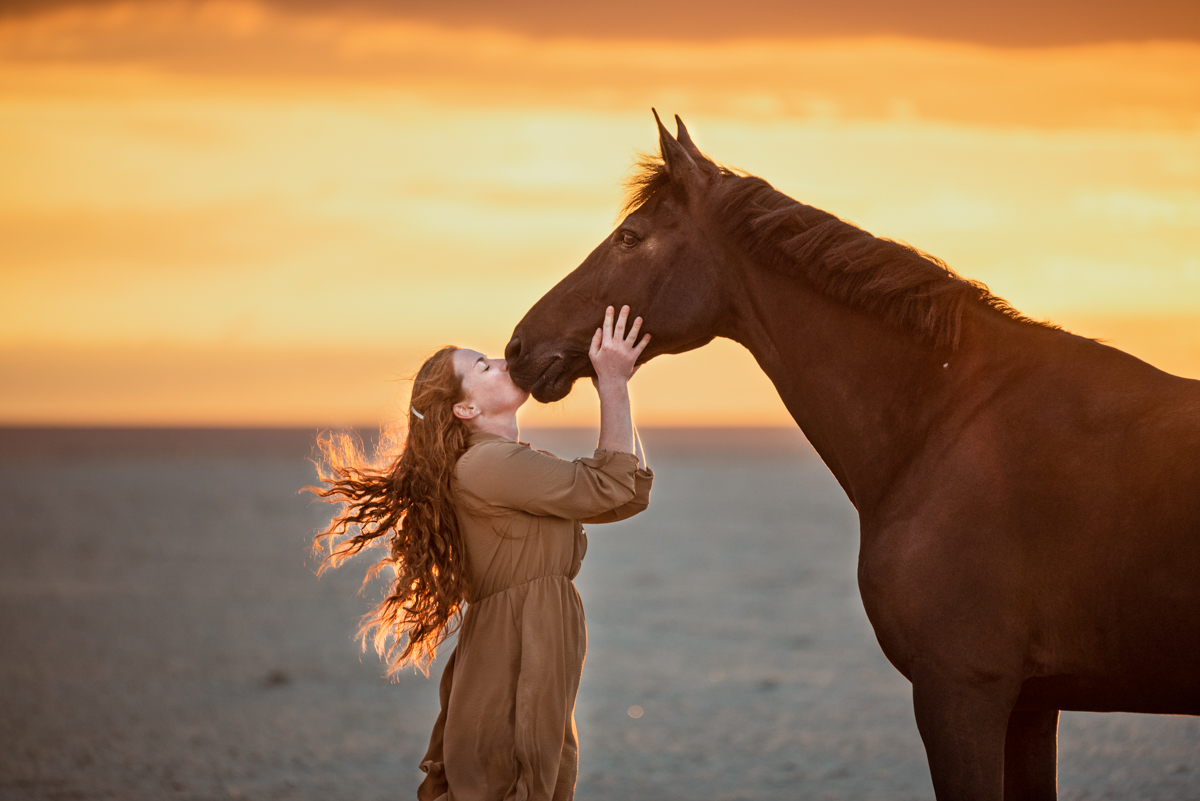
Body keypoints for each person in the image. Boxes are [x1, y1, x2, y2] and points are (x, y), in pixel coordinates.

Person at [309, 305, 654, 801]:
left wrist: (617, 386)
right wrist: (613, 384)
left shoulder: (504, 463)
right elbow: (609, 486)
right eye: (483, 366)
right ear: (466, 410)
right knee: (514, 779)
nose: (501, 360)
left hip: (527, 630)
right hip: (519, 638)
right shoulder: (488, 464)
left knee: (534, 777)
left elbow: (625, 495)